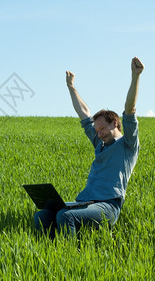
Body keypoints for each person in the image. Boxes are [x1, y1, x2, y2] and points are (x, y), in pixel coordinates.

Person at [34, 57, 145, 237]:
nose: (98, 133)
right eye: (97, 130)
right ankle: (50, 251)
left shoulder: (128, 145)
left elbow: (130, 109)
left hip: (108, 206)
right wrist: (71, 87)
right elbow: (84, 115)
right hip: (85, 203)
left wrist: (135, 76)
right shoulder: (100, 143)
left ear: (114, 123)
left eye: (101, 128)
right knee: (42, 215)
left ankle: (69, 256)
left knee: (65, 216)